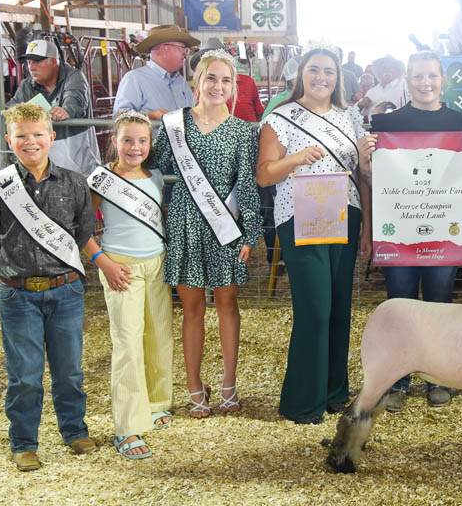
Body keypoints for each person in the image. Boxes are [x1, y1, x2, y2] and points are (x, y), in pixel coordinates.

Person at [257, 48, 375, 424]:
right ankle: (303, 401)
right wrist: (295, 159)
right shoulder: (281, 117)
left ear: (338, 78)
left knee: (339, 307)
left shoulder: (349, 116)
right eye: (314, 70)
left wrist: (368, 224)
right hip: (300, 216)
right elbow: (264, 174)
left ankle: (334, 392)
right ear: (301, 75)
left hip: (345, 213)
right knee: (314, 308)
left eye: (329, 71)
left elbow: (362, 174)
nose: (321, 77)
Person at [0, 103, 97, 472]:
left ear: (52, 137)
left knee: (69, 370)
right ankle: (24, 442)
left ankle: (74, 430)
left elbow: (83, 231)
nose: (31, 142)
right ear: (8, 140)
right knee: (25, 375)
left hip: (66, 289)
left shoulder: (74, 183)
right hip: (17, 291)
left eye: (38, 135)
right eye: (22, 136)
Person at [370, 51, 462, 410]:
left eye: (432, 76)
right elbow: (377, 181)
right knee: (400, 306)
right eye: (418, 76)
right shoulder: (386, 124)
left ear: (443, 80)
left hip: (444, 233)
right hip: (400, 234)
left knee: (440, 305)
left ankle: (439, 378)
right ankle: (398, 380)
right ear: (408, 80)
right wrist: (364, 160)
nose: (426, 83)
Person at [148, 50, 262, 418]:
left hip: (226, 227)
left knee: (228, 304)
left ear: (234, 86)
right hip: (184, 223)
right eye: (211, 78)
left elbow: (247, 185)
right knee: (192, 308)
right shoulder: (174, 124)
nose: (218, 86)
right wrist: (134, 129)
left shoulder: (243, 131)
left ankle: (229, 384)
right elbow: (151, 161)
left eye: (226, 80)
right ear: (197, 81)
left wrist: (250, 234)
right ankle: (194, 386)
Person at [83, 110, 174, 460]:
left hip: (156, 263)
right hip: (121, 267)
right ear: (114, 141)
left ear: (150, 144)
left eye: (142, 141)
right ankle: (127, 425)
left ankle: (156, 402)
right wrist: (102, 262)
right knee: (127, 342)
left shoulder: (155, 177)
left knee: (158, 334)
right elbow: (81, 228)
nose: (135, 148)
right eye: (127, 141)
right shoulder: (101, 179)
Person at [0, 39, 100, 175]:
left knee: (80, 182)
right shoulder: (27, 86)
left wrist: (67, 110)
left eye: (37, 62)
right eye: (29, 62)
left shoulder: (74, 77)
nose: (31, 68)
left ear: (53, 61)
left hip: (77, 159)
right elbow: (13, 109)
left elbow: (76, 98)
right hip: (43, 162)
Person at [112, 25, 200, 119]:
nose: (185, 54)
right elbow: (119, 117)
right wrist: (148, 116)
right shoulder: (134, 79)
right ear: (164, 49)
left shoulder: (180, 81)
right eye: (181, 48)